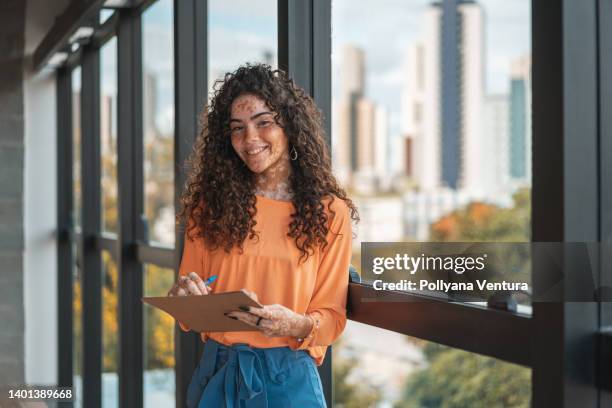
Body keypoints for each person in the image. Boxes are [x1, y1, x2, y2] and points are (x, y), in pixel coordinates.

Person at [167, 63, 359, 407]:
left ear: (289, 126)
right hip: (218, 372)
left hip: (289, 378)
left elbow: (332, 318)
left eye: (264, 122)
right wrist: (184, 295)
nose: (250, 139)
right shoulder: (208, 207)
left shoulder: (331, 214)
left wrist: (295, 324)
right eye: (237, 128)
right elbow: (188, 306)